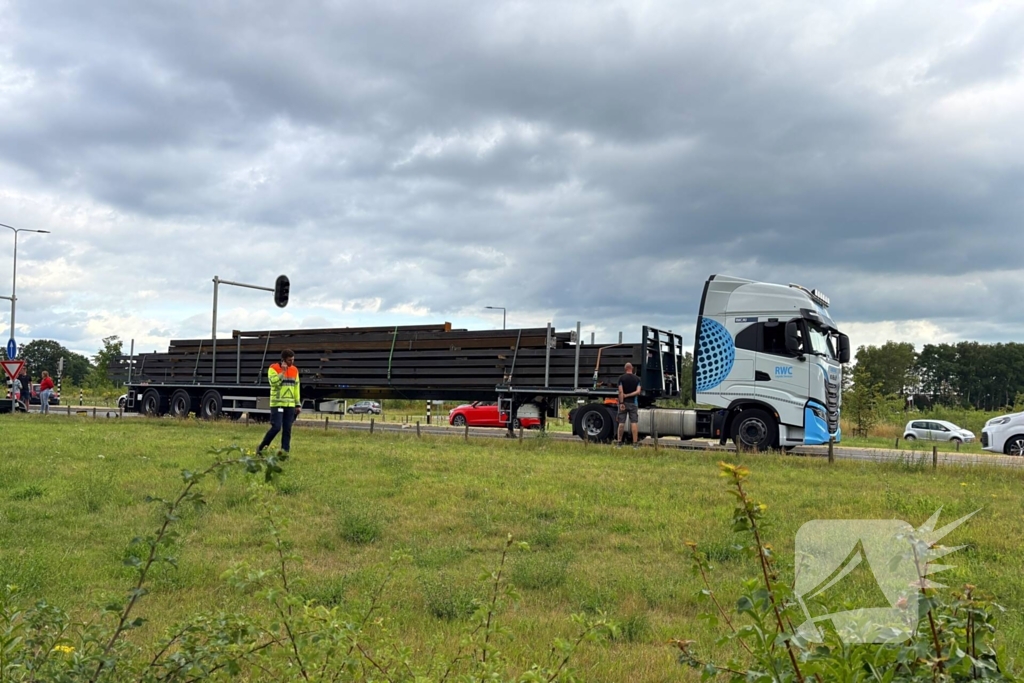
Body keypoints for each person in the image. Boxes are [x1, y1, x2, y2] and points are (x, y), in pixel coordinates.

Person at [257, 349, 301, 453]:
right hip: (277, 404)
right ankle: (261, 448)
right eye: (290, 360)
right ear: (284, 360)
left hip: (290, 405)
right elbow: (274, 383)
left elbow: (296, 387)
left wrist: (297, 404)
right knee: (276, 427)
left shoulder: (295, 370)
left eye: (293, 360)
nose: (292, 362)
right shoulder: (273, 368)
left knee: (287, 429)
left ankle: (284, 453)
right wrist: (283, 372)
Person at [615, 362, 641, 448]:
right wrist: (629, 395)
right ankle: (635, 444)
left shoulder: (621, 378)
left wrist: (622, 402)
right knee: (634, 423)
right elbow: (638, 392)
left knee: (621, 423)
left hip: (623, 403)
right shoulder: (637, 379)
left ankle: (619, 443)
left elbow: (620, 391)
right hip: (634, 403)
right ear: (632, 368)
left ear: (625, 369)